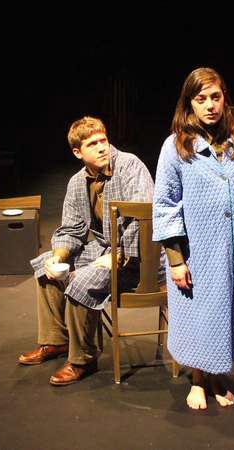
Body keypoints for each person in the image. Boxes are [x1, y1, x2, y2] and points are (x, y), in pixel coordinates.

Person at [152, 68, 234, 409]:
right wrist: (176, 260)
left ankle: (216, 373)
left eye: (215, 97)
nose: (210, 105)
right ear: (189, 103)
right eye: (201, 99)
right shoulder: (176, 145)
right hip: (196, 252)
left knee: (226, 312)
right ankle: (196, 379)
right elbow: (165, 206)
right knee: (199, 314)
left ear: (225, 98)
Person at [20, 116, 154, 386]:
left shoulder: (129, 166)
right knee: (46, 268)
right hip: (105, 247)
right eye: (93, 144)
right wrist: (59, 256)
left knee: (81, 280)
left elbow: (144, 220)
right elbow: (71, 229)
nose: (102, 147)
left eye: (104, 140)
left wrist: (118, 256)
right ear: (78, 152)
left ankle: (83, 359)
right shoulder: (77, 182)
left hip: (141, 257)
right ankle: (55, 341)